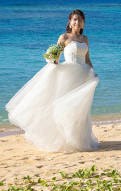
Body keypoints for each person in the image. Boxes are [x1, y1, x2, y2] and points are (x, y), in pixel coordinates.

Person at [6, 9, 100, 152]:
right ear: (70, 22)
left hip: (82, 76)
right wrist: (52, 59)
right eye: (74, 19)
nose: (77, 22)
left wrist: (93, 73)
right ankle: (63, 141)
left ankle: (79, 141)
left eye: (80, 20)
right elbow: (56, 59)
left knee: (80, 109)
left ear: (83, 23)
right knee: (65, 108)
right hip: (68, 76)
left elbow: (87, 59)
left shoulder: (85, 39)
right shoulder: (64, 38)